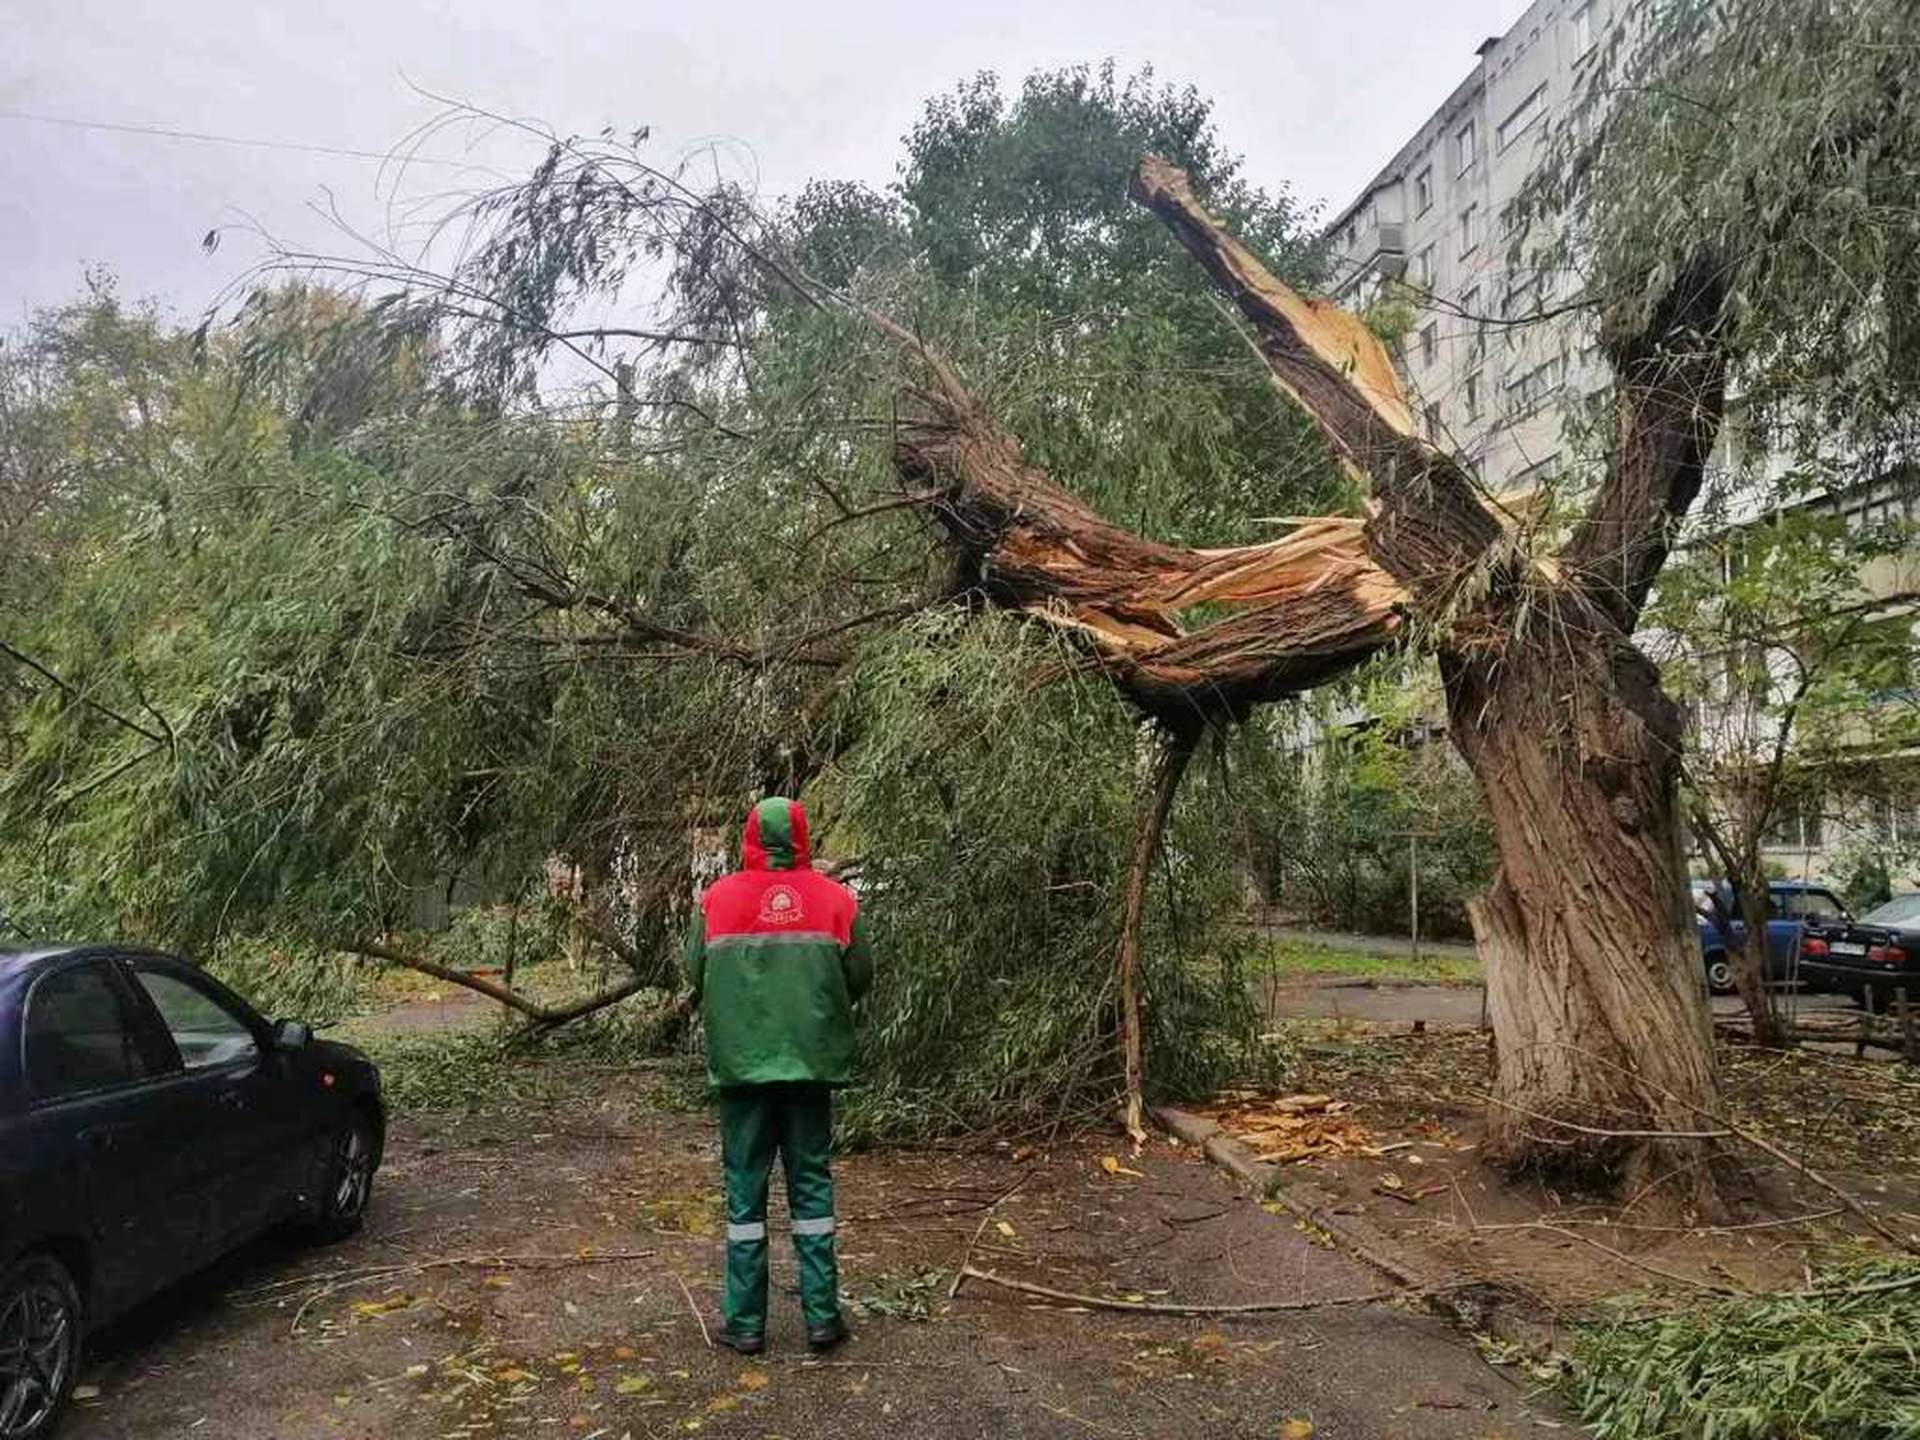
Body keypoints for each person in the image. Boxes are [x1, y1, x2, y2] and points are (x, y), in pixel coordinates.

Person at [683, 796, 873, 1355]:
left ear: (749, 837)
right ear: (801, 836)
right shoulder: (837, 901)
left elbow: (693, 971)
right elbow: (860, 976)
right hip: (810, 1069)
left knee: (745, 1194)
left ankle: (744, 1324)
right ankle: (822, 1318)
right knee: (811, 1187)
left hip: (743, 1072)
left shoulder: (715, 902)